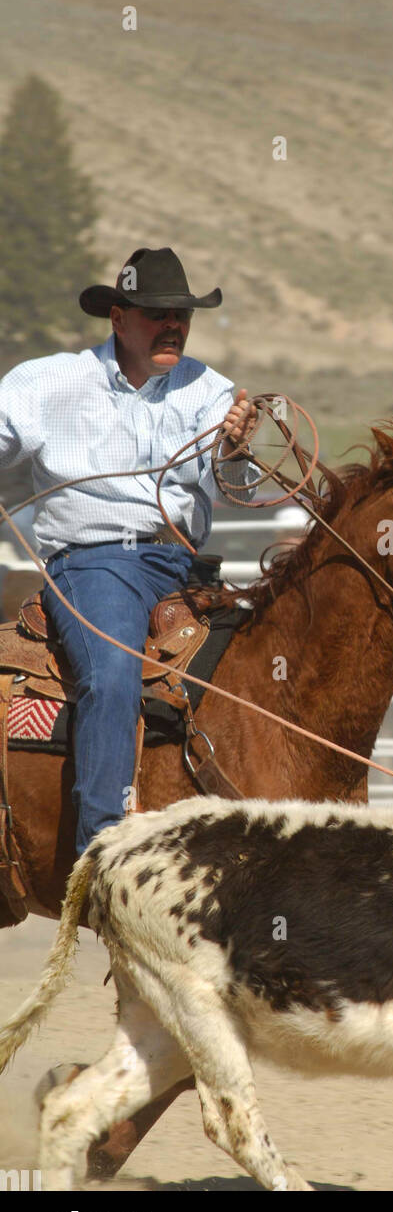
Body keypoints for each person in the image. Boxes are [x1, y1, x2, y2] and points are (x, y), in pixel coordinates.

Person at [0, 247, 259, 853]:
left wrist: (237, 452)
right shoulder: (48, 382)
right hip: (94, 564)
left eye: (181, 315)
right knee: (113, 673)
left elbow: (238, 489)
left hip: (184, 567)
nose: (173, 324)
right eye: (156, 313)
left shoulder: (211, 389)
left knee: (261, 665)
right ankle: (104, 848)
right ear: (118, 318)